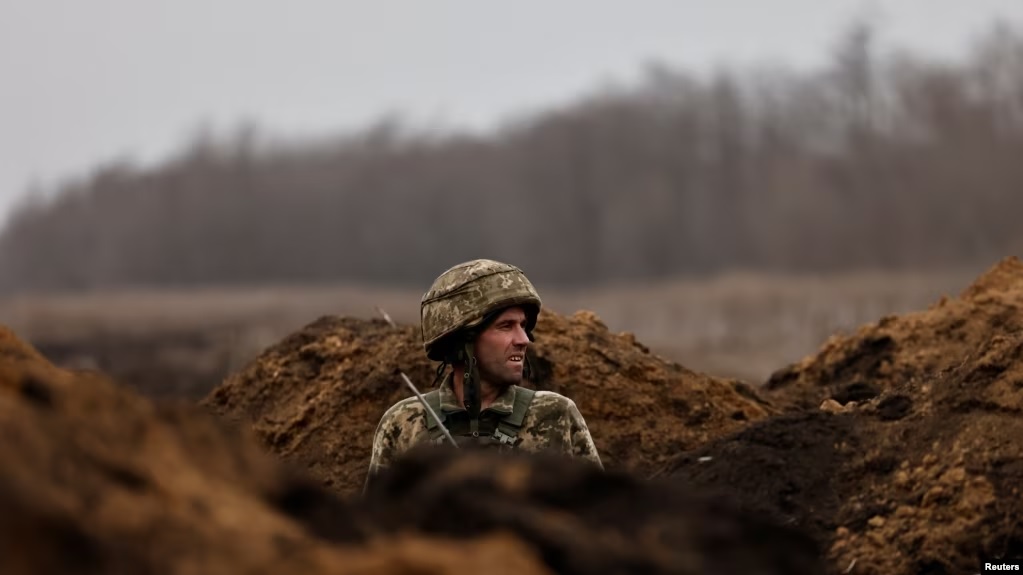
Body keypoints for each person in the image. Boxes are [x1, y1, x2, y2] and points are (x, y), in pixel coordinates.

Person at [364, 259, 602, 489]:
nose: (523, 340)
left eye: (523, 326)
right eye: (506, 326)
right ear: (462, 341)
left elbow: (603, 518)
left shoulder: (555, 415)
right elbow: (376, 524)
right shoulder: (405, 424)